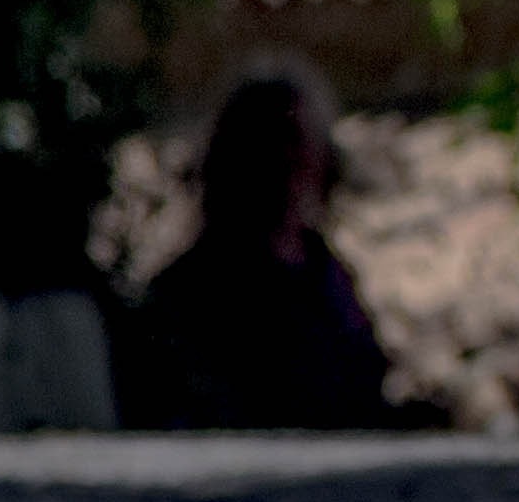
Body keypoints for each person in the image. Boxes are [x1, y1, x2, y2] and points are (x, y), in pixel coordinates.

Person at [125, 68, 395, 432]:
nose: (286, 161)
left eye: (297, 142)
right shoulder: (190, 293)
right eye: (269, 143)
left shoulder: (331, 281)